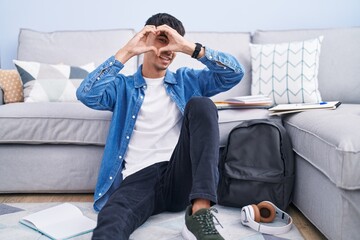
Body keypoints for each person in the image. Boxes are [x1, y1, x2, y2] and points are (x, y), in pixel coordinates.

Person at [77, 13, 244, 240]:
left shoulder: (187, 80)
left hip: (179, 173)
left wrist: (188, 47)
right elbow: (87, 94)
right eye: (163, 40)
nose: (169, 50)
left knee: (202, 104)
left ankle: (200, 212)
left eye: (174, 43)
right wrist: (127, 51)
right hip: (138, 177)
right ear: (147, 40)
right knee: (112, 218)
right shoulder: (123, 87)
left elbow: (234, 73)